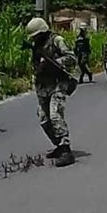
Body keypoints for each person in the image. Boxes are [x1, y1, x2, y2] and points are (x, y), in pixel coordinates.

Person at [25, 17, 78, 167]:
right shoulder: (37, 46)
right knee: (43, 118)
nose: (34, 39)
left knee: (55, 115)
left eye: (36, 36)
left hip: (57, 84)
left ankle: (66, 149)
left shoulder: (56, 40)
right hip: (43, 86)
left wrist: (53, 63)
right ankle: (59, 145)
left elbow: (71, 58)